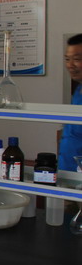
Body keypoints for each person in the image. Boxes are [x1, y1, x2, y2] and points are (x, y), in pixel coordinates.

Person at [59, 33, 82, 171]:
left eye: (77, 59)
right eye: (67, 59)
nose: (70, 65)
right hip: (68, 171)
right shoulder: (78, 91)